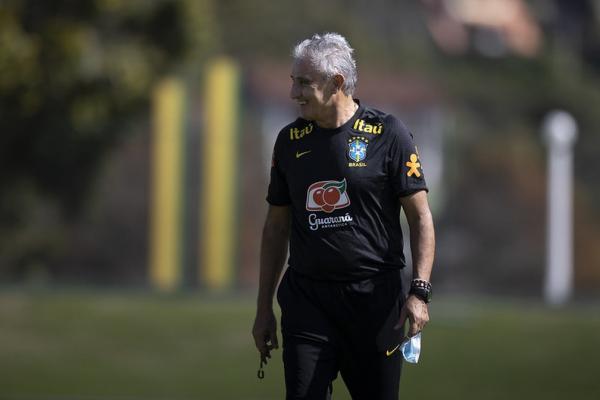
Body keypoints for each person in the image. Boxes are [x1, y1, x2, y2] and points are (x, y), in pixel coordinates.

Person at [252, 32, 435, 400]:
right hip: (308, 300)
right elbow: (275, 228)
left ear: (336, 83)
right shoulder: (289, 142)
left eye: (303, 83)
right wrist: (263, 309)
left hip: (375, 302)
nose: (293, 93)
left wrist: (419, 292)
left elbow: (421, 219)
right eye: (293, 82)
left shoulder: (389, 134)